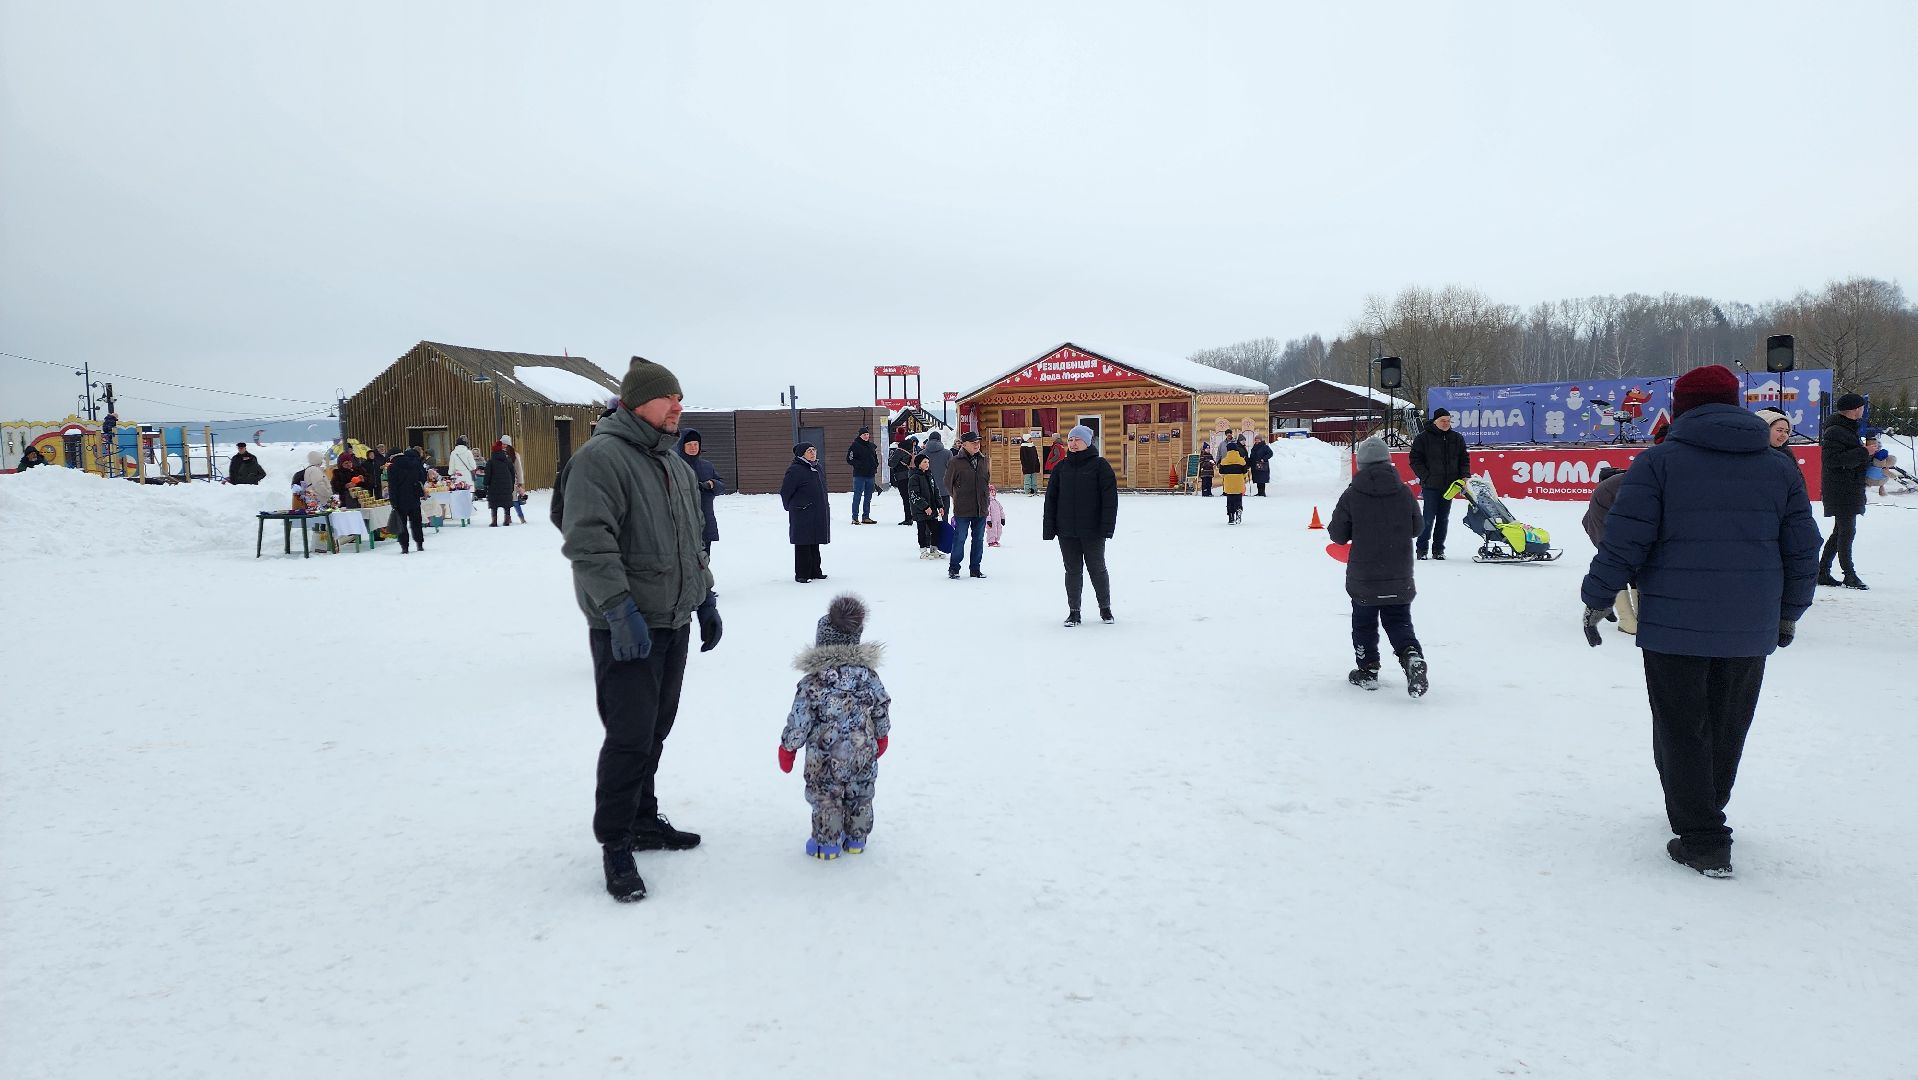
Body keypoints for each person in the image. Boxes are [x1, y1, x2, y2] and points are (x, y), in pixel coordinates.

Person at [1580, 364, 1820, 879]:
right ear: (1734, 405)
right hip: (1749, 625)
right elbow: (1804, 550)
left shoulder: (1657, 464)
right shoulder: (1779, 468)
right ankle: (1707, 807)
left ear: (1683, 406)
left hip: (1672, 624)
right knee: (1729, 721)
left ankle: (1704, 836)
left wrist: (1598, 597)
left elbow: (1624, 542)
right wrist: (1788, 613)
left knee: (1680, 725)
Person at [557, 356, 721, 903]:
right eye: (667, 398)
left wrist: (705, 598)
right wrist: (617, 609)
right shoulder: (601, 459)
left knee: (656, 728)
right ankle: (616, 845)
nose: (678, 407)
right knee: (628, 737)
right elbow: (587, 540)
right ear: (635, 403)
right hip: (627, 625)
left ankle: (644, 819)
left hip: (671, 618)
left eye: (680, 397)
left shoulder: (672, 464)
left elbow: (690, 540)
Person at [778, 594, 891, 860]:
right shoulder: (869, 677)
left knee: (826, 797)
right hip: (863, 753)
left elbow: (799, 719)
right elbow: (881, 706)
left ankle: (827, 844)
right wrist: (882, 735)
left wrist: (788, 748)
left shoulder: (813, 682)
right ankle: (856, 838)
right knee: (861, 793)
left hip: (824, 760)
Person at [1330, 438, 1427, 696]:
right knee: (1399, 621)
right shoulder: (1404, 492)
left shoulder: (1352, 494)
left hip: (1365, 575)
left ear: (1360, 464)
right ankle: (1411, 656)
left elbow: (1337, 534)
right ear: (1388, 462)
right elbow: (1417, 528)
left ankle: (1367, 670)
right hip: (1399, 573)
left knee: (1364, 623)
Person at [1043, 424, 1118, 626]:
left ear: (1087, 442)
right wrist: (1050, 528)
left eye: (1077, 440)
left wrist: (1107, 527)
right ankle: (1074, 612)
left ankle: (1105, 609)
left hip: (1093, 530)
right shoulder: (1061, 468)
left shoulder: (1100, 466)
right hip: (1066, 531)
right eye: (1070, 440)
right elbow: (1051, 500)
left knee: (1097, 569)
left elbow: (1110, 500)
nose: (1073, 443)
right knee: (1072, 571)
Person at [1818, 393, 1870, 589]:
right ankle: (1849, 574)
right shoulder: (1836, 431)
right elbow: (1832, 460)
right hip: (1841, 488)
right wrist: (1864, 452)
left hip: (1848, 486)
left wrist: (1866, 455)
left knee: (1839, 531)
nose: (1863, 410)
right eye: (1862, 407)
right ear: (1856, 408)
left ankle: (1822, 571)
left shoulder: (1846, 429)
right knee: (1847, 531)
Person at [1409, 408, 1470, 560]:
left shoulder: (1457, 438)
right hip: (1430, 486)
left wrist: (1464, 476)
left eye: (1448, 421)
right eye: (1443, 420)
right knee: (1428, 518)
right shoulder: (1423, 438)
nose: (1446, 423)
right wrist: (1426, 476)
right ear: (1435, 421)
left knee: (1443, 519)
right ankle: (1422, 549)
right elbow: (1415, 460)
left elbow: (1464, 459)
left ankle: (1438, 549)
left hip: (1450, 486)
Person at [1581, 466, 1635, 634]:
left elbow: (1585, 521)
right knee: (1621, 573)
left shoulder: (1605, 491)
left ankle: (1629, 618)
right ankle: (1628, 620)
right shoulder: (1621, 488)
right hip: (1611, 535)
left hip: (1604, 534)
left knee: (1621, 573)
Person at [781, 443, 831, 583]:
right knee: (803, 542)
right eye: (809, 451)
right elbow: (785, 491)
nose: (813, 453)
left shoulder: (817, 467)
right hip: (802, 511)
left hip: (817, 510)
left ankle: (815, 571)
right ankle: (802, 574)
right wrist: (791, 507)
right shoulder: (795, 470)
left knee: (815, 541)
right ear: (801, 454)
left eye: (814, 450)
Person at [944, 430, 990, 580]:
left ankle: (975, 569)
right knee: (960, 538)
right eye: (973, 443)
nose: (977, 445)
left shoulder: (984, 460)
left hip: (981, 507)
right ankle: (954, 568)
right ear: (964, 445)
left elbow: (986, 480)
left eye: (978, 442)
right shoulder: (955, 462)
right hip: (963, 508)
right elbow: (947, 483)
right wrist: (958, 495)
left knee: (978, 540)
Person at [676, 428, 726, 554]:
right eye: (689, 444)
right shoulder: (675, 466)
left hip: (705, 523)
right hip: (682, 525)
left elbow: (721, 487)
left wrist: (712, 484)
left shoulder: (707, 466)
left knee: (704, 563)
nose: (693, 447)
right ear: (682, 446)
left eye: (696, 444)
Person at [385, 444, 428, 553]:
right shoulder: (414, 463)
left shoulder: (392, 467)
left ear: (392, 457)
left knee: (402, 524)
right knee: (416, 522)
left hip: (400, 499)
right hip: (414, 497)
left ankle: (405, 547)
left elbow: (392, 487)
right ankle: (420, 544)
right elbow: (422, 477)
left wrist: (393, 501)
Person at [908, 453, 943, 558]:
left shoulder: (930, 475)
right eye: (924, 462)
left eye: (928, 462)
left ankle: (934, 549)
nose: (927, 464)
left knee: (936, 529)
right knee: (922, 531)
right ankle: (923, 551)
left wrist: (940, 505)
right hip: (920, 510)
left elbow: (936, 492)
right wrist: (925, 507)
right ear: (919, 464)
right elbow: (914, 495)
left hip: (931, 509)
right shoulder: (914, 477)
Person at [845, 427, 879, 525]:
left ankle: (866, 517)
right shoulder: (855, 445)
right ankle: (855, 517)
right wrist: (859, 465)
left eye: (867, 434)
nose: (866, 436)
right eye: (864, 435)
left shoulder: (872, 446)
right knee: (857, 496)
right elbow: (849, 459)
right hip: (859, 475)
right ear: (860, 435)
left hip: (870, 475)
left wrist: (875, 464)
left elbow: (875, 457)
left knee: (868, 497)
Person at [922, 431, 953, 516]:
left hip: (926, 490)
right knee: (944, 516)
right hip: (943, 490)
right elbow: (952, 471)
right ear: (940, 440)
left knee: (928, 518)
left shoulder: (922, 454)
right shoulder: (948, 453)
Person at [486, 441, 517, 526]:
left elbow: (487, 475)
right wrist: (512, 484)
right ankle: (507, 520)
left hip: (494, 486)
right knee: (506, 503)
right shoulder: (508, 460)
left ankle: (494, 521)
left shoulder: (491, 462)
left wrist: (486, 484)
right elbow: (512, 473)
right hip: (507, 485)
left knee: (494, 504)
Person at [1217, 440, 1248, 524]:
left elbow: (1221, 473)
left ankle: (1231, 517)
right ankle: (1238, 512)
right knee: (1238, 499)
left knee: (1230, 500)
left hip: (1228, 484)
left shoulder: (1224, 461)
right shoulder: (1241, 460)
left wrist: (1226, 477)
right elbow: (1245, 472)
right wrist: (1242, 477)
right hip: (1238, 484)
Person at [888, 437, 916, 524]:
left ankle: (908, 518)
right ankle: (912, 516)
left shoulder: (899, 451)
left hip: (901, 477)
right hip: (911, 475)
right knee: (911, 497)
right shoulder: (912, 451)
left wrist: (891, 457)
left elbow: (891, 464)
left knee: (905, 498)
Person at [502, 436, 528, 523]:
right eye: (502, 443)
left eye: (505, 444)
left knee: (515, 501)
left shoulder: (514, 455)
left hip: (513, 480)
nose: (503, 445)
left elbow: (519, 469)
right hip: (502, 480)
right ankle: (508, 518)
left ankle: (521, 517)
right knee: (506, 501)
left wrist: (520, 481)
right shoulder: (499, 454)